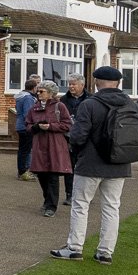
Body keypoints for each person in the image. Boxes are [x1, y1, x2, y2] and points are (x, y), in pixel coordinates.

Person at [51, 66, 135, 263]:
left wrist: (77, 152)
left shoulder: (89, 104)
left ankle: (74, 248)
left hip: (90, 163)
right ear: (118, 83)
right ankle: (105, 252)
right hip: (119, 164)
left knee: (80, 206)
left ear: (96, 82)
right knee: (112, 208)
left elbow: (78, 136)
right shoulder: (131, 105)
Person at [25, 82, 72, 217]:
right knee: (42, 175)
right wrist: (36, 127)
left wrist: (50, 126)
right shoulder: (34, 108)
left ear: (51, 93)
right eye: (38, 91)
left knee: (52, 176)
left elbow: (67, 125)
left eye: (42, 92)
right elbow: (27, 125)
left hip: (55, 145)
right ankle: (47, 200)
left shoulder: (60, 106)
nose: (38, 94)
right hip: (39, 144)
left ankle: (51, 206)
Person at [56, 74, 87, 204]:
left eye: (74, 84)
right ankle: (69, 194)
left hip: (85, 139)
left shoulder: (91, 99)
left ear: (82, 85)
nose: (71, 86)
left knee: (84, 168)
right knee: (69, 168)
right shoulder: (63, 100)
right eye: (69, 84)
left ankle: (83, 195)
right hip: (67, 139)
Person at [14, 74, 41, 180]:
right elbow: (28, 114)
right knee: (25, 150)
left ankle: (22, 171)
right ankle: (23, 172)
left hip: (20, 125)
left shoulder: (20, 96)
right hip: (26, 127)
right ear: (34, 88)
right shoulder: (28, 98)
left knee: (23, 150)